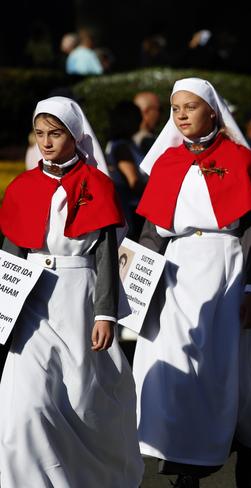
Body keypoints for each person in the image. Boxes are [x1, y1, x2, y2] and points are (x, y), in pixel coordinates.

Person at [132, 77, 251, 488]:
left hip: (224, 269)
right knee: (174, 366)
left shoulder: (239, 159)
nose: (181, 115)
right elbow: (152, 231)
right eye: (175, 108)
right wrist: (138, 288)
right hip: (175, 274)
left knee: (226, 369)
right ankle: (182, 463)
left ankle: (244, 444)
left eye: (190, 107)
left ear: (212, 111)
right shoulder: (168, 163)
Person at [0, 96, 143, 487]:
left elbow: (106, 258)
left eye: (56, 133)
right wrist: (4, 311)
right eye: (40, 133)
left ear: (75, 135)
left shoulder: (98, 184)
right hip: (32, 303)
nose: (46, 142)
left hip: (79, 299)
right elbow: (11, 253)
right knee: (23, 406)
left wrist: (105, 313)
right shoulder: (23, 186)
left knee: (82, 402)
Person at [105, 100, 147, 241]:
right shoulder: (122, 147)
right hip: (133, 212)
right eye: (136, 116)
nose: (141, 120)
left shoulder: (124, 144)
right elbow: (133, 182)